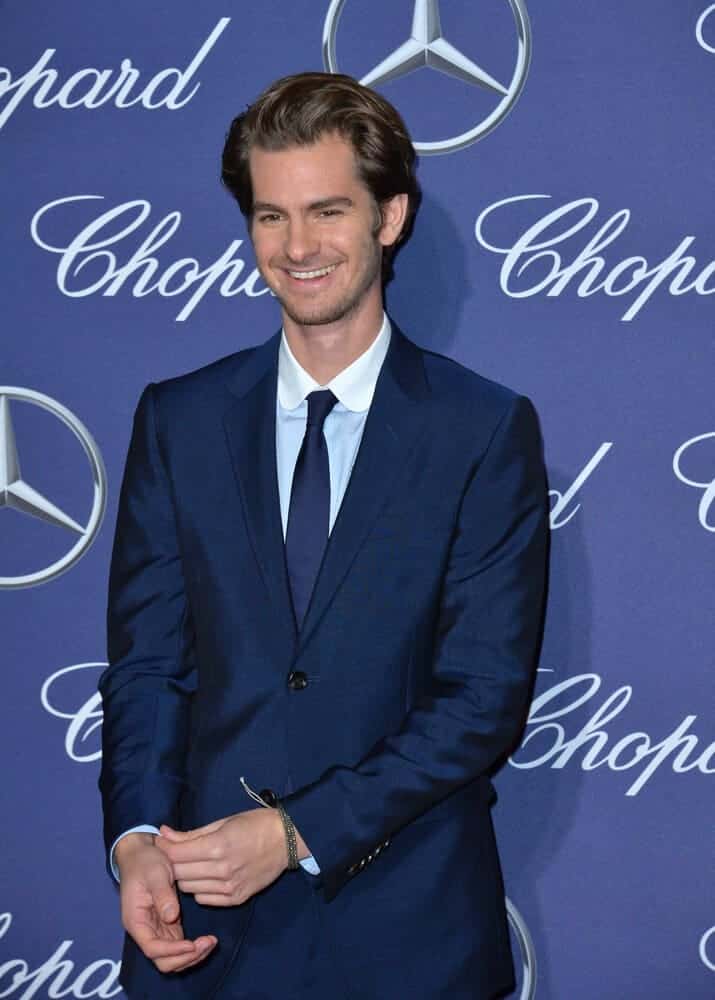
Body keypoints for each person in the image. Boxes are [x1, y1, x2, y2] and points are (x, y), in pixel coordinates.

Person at [99, 71, 549, 1000]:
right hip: (205, 934)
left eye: (327, 211)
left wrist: (297, 831)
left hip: (409, 933)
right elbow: (148, 666)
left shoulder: (481, 430)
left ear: (390, 217)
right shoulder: (177, 421)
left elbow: (482, 700)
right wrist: (136, 840)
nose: (297, 247)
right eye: (270, 217)